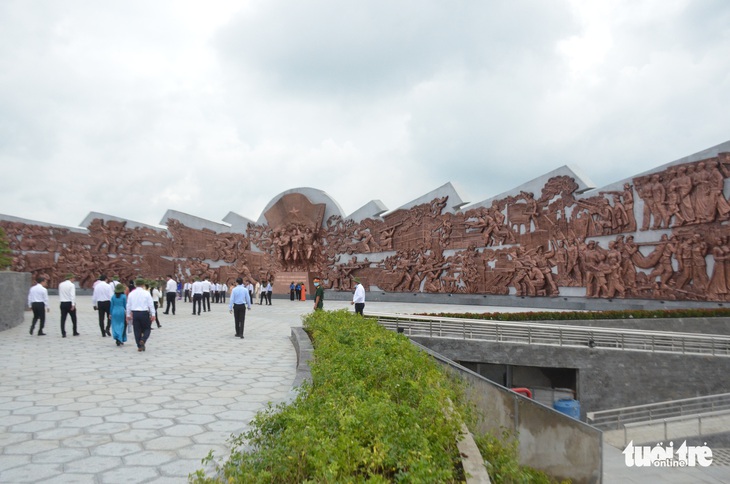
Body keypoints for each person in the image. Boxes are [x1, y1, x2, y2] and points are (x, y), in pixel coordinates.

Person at [125, 277, 156, 352]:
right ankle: (143, 339)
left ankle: (139, 346)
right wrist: (153, 314)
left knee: (137, 330)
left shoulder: (131, 293)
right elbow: (151, 304)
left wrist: (128, 315)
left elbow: (128, 305)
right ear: (143, 285)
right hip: (144, 313)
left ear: (135, 285)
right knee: (147, 328)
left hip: (135, 313)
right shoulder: (146, 293)